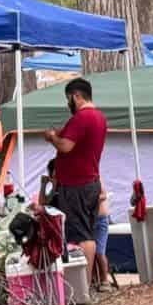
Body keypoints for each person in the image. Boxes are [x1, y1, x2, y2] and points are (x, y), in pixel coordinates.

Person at [40, 76, 107, 281]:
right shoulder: (99, 118)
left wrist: (52, 138)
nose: (69, 103)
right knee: (86, 231)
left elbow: (65, 146)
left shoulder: (83, 117)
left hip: (77, 185)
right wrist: (57, 133)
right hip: (90, 182)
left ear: (76, 96)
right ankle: (86, 282)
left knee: (81, 235)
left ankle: (82, 284)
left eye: (69, 98)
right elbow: (72, 137)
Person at [92, 189, 114, 291]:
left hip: (100, 219)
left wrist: (88, 198)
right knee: (91, 252)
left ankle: (105, 280)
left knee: (99, 252)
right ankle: (95, 279)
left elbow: (104, 195)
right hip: (89, 219)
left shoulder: (96, 178)